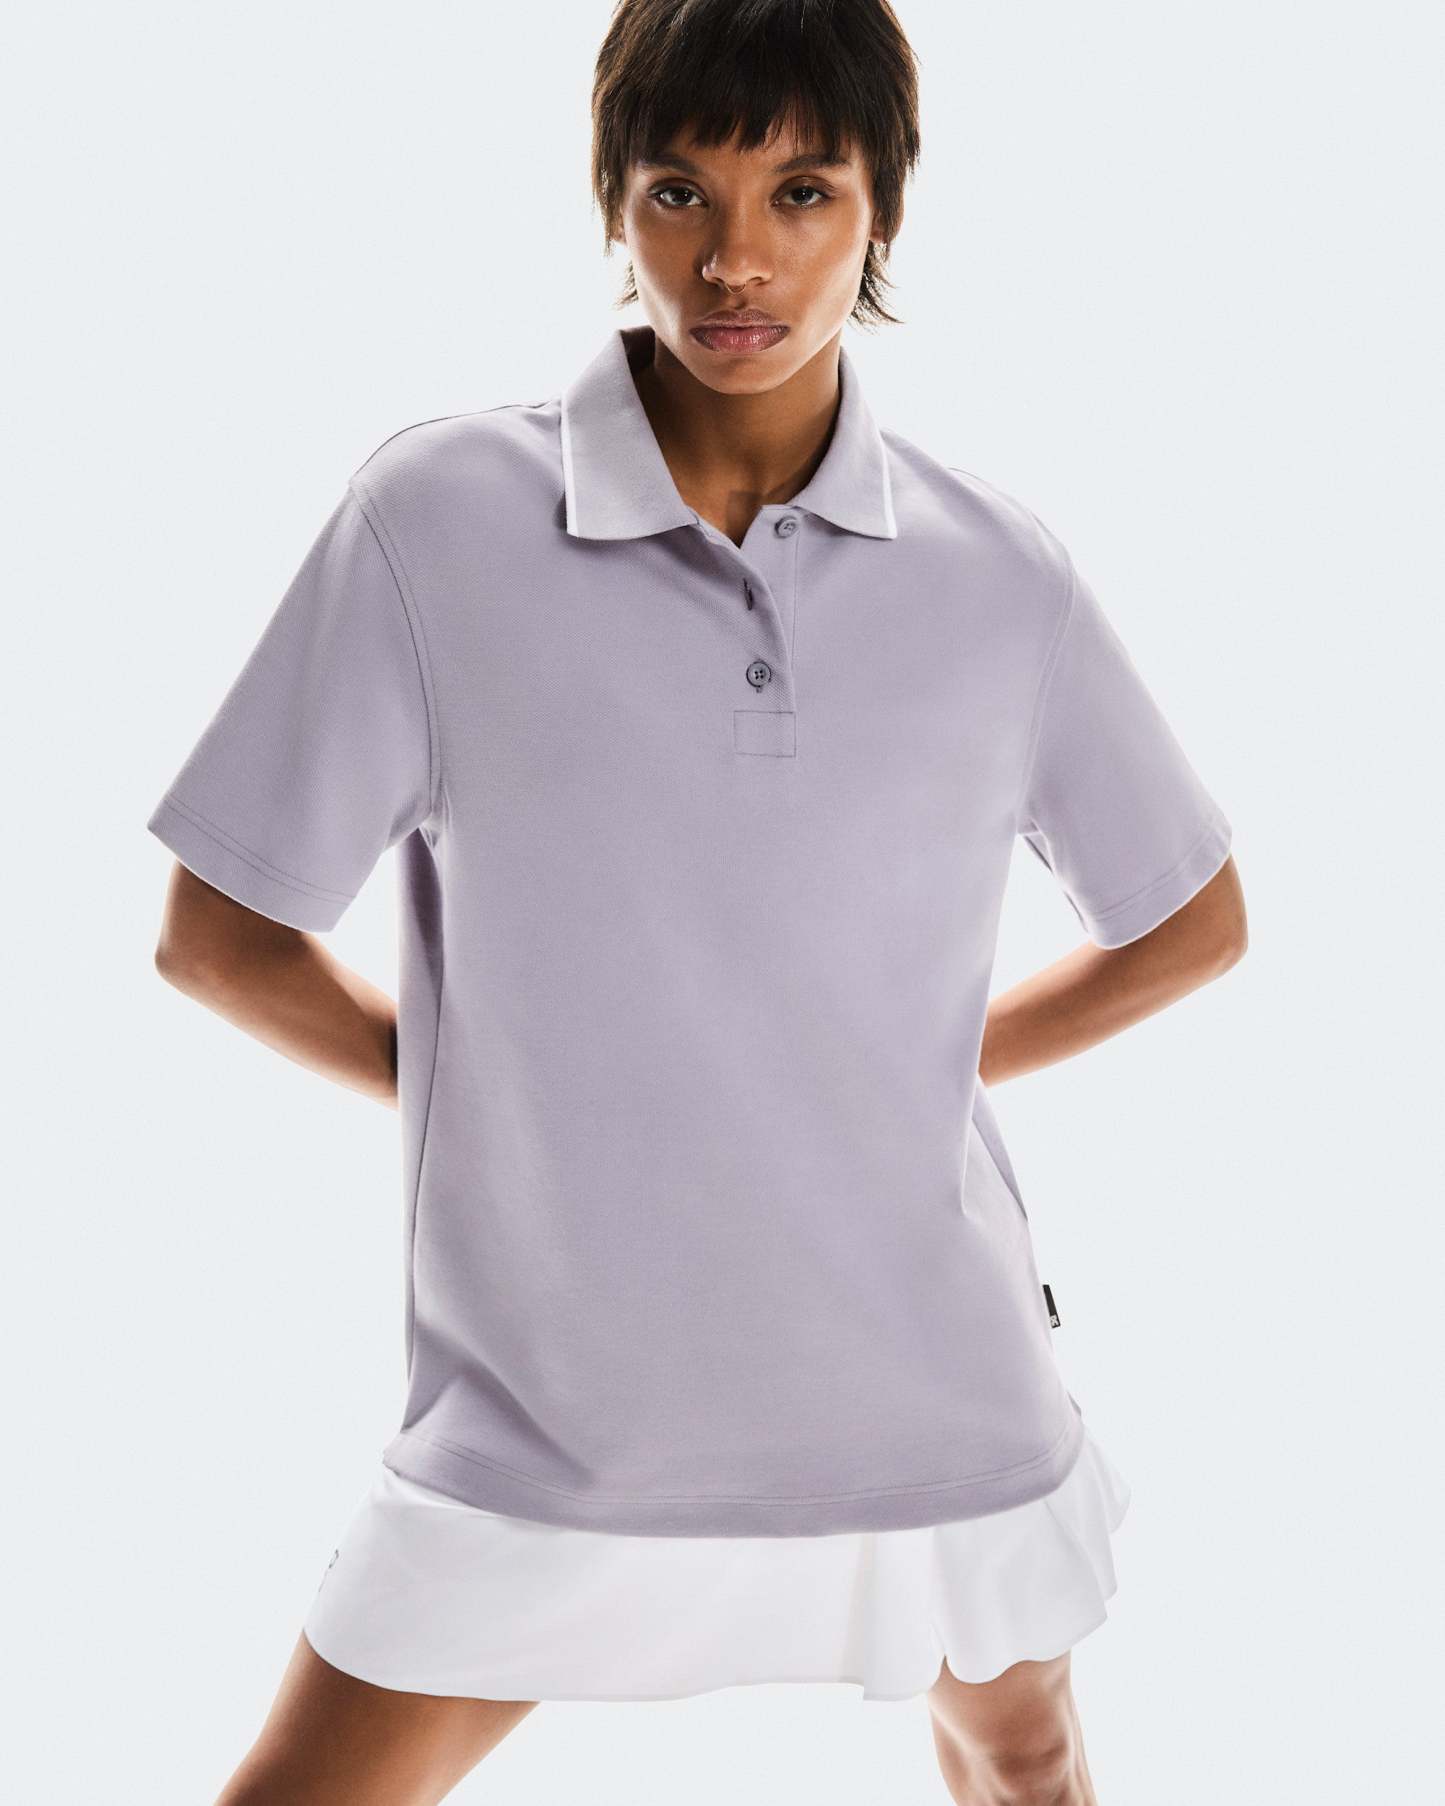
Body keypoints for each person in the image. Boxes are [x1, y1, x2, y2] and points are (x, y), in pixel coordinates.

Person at [147, 1, 1247, 1801]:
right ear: (615, 200)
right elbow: (222, 934)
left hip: (928, 1384)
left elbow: (1190, 920)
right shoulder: (436, 522)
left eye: (801, 192)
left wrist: (882, 1066)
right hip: (555, 1416)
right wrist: (482, 1083)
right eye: (681, 192)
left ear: (880, 207)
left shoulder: (997, 574)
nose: (736, 260)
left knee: (1028, 1757)